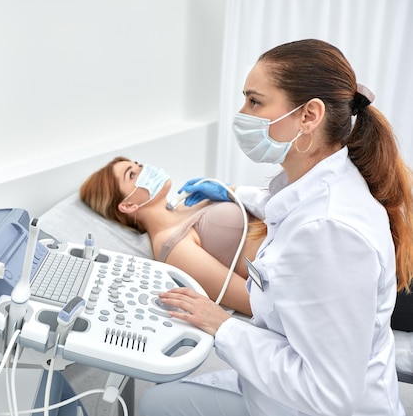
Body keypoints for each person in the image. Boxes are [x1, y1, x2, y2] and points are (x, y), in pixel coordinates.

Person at [138, 38, 413, 416]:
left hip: (315, 407)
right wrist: (230, 191)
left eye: (255, 101)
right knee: (162, 396)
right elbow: (282, 203)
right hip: (276, 389)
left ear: (308, 115)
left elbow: (332, 395)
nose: (241, 113)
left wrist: (223, 326)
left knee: (156, 404)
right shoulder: (312, 186)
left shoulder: (331, 232)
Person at [79, 156, 265, 316]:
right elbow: (252, 301)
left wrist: (231, 190)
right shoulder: (172, 245)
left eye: (139, 165)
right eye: (132, 174)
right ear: (128, 205)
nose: (144, 169)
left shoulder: (191, 200)